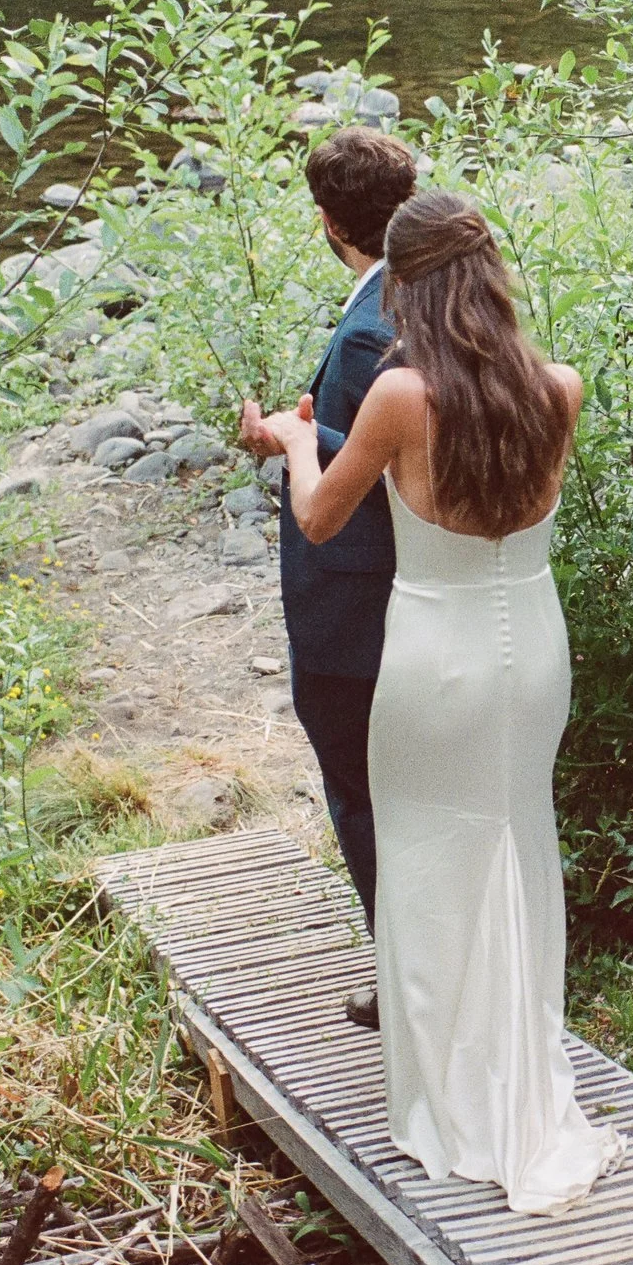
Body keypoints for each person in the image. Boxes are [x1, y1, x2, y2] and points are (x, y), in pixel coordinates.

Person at [242, 189, 625, 1217]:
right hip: (533, 649)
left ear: (403, 282)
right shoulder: (559, 386)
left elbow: (323, 518)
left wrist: (290, 438)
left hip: (434, 653)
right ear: (493, 276)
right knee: (515, 842)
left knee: (422, 858)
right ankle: (518, 1069)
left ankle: (450, 1097)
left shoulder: (402, 395)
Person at [238, 126, 415, 1033]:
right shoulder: (417, 291)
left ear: (326, 222)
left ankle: (403, 979)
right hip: (403, 602)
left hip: (356, 607)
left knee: (361, 792)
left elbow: (395, 470)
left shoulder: (368, 331)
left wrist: (288, 438)